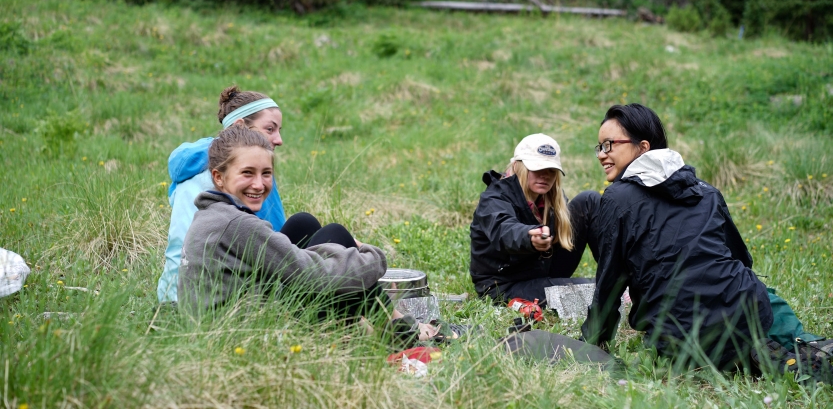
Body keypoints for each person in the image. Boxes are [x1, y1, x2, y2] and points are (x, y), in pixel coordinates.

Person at [580, 103, 831, 373]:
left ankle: (765, 354)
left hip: (679, 342)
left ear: (643, 147)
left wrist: (592, 342)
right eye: (599, 147)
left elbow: (609, 286)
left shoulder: (618, 198)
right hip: (741, 314)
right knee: (760, 294)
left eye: (609, 145)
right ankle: (803, 344)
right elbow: (741, 260)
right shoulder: (706, 191)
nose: (601, 155)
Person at [179, 125, 448, 343]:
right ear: (218, 177)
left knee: (303, 224)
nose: (259, 184)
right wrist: (370, 255)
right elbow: (313, 277)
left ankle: (393, 327)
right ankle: (401, 331)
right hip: (249, 337)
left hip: (221, 326)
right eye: (247, 173)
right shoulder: (238, 225)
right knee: (336, 237)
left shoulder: (211, 215)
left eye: (266, 173)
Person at [156, 86, 287, 303]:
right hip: (224, 295)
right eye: (270, 129)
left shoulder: (190, 170)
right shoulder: (247, 181)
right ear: (240, 127)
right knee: (311, 230)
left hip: (171, 293)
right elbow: (283, 243)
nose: (279, 139)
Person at [470, 133, 600, 306]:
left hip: (541, 270)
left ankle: (617, 273)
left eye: (551, 170)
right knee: (597, 290)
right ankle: (620, 289)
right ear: (517, 166)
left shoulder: (550, 196)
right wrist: (529, 237)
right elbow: (504, 229)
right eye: (537, 169)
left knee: (588, 200)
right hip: (505, 285)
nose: (545, 175)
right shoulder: (494, 199)